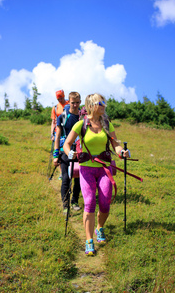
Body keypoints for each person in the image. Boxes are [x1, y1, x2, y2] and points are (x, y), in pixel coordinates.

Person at [63, 93, 130, 256]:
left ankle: (99, 228)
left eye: (104, 102)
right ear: (92, 105)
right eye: (101, 103)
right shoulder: (80, 125)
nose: (104, 105)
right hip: (86, 168)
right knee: (90, 202)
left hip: (104, 168)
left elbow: (115, 145)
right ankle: (89, 240)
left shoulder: (107, 124)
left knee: (106, 202)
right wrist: (69, 153)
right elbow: (67, 143)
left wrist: (122, 152)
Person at [53, 91, 82, 215]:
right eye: (72, 103)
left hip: (80, 151)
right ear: (68, 102)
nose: (75, 105)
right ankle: (65, 205)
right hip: (65, 151)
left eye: (77, 103)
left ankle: (74, 201)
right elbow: (57, 135)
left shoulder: (83, 116)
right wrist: (56, 154)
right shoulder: (63, 116)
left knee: (79, 178)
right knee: (66, 178)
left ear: (80, 102)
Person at [51, 90, 68, 179]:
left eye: (61, 98)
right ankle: (62, 172)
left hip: (68, 130)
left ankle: (71, 169)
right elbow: (53, 122)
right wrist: (52, 134)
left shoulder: (69, 104)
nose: (60, 100)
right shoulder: (55, 108)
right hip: (59, 132)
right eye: (58, 99)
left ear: (64, 96)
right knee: (60, 151)